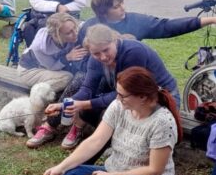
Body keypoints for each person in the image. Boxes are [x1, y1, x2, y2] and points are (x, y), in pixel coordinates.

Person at [42, 67, 181, 175]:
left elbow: (155, 171)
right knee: (68, 174)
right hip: (112, 171)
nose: (118, 98)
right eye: (117, 93)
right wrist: (61, 167)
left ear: (143, 97)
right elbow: (95, 141)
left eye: (123, 95)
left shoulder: (162, 121)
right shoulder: (118, 106)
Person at [38, 24, 179, 152]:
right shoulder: (95, 59)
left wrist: (84, 104)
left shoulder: (133, 52)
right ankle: (114, 145)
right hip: (131, 97)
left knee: (109, 111)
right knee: (98, 110)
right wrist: (63, 105)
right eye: (96, 53)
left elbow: (129, 93)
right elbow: (87, 88)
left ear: (115, 41)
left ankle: (121, 146)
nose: (103, 57)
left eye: (106, 50)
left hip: (161, 97)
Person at [78, 0, 216, 45]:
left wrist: (210, 20)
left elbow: (167, 27)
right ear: (103, 12)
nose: (123, 8)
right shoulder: (89, 27)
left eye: (122, 3)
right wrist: (67, 56)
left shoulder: (135, 21)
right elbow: (76, 50)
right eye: (116, 7)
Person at [18, 13, 87, 94]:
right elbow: (52, 67)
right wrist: (67, 57)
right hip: (30, 71)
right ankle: (38, 94)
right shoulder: (40, 46)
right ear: (56, 35)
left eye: (75, 28)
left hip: (46, 67)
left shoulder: (69, 28)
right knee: (67, 77)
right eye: (69, 33)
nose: (75, 33)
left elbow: (85, 25)